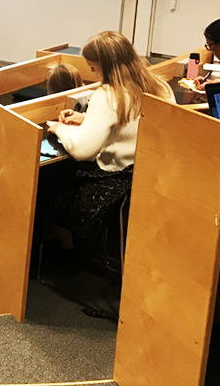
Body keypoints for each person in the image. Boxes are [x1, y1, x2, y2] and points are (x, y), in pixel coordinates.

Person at [46, 31, 174, 256]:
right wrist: (88, 119)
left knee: (54, 177)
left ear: (106, 65)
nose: (93, 74)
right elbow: (132, 124)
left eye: (93, 67)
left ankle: (63, 246)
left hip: (117, 176)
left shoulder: (107, 95)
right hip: (148, 172)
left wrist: (59, 128)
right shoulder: (160, 86)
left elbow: (81, 151)